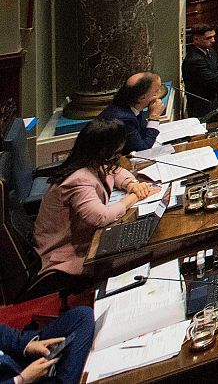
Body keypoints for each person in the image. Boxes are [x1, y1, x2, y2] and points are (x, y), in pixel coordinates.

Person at [35, 119, 160, 278]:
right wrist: (133, 197)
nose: (119, 154)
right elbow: (101, 217)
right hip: (67, 255)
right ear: (105, 150)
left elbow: (115, 172)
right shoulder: (79, 180)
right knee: (146, 253)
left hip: (86, 239)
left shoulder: (89, 160)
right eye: (117, 151)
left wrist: (132, 184)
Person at [0, 305, 94, 384]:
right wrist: (21, 379)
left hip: (14, 360)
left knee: (82, 315)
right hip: (15, 379)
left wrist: (27, 346)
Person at [97, 72, 165, 153]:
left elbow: (142, 133)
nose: (159, 93)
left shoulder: (132, 104)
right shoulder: (123, 119)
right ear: (142, 97)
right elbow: (143, 150)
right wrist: (154, 117)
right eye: (157, 91)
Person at [182, 25, 218, 118]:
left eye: (213, 36)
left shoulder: (209, 50)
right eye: (208, 38)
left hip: (216, 102)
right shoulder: (194, 60)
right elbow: (215, 81)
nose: (213, 40)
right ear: (196, 39)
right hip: (204, 109)